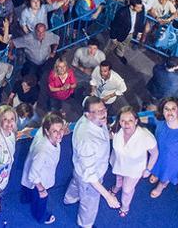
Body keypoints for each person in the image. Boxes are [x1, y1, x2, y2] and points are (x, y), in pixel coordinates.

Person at [63, 97, 121, 227]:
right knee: (90, 202)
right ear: (87, 115)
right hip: (90, 175)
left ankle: (69, 199)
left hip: (79, 168)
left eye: (103, 109)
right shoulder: (87, 140)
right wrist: (108, 197)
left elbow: (87, 99)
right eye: (98, 112)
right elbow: (90, 176)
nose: (103, 113)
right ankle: (85, 224)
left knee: (76, 181)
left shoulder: (91, 120)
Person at [110, 106, 158, 218]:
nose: (126, 124)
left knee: (127, 190)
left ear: (136, 121)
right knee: (119, 180)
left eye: (130, 120)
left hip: (134, 169)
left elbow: (155, 153)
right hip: (118, 162)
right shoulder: (115, 129)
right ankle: (117, 187)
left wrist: (148, 169)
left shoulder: (145, 136)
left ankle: (125, 207)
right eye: (123, 121)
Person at [20, 112, 67, 224]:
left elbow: (55, 124)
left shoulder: (45, 133)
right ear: (47, 131)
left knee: (29, 191)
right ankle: (40, 217)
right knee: (40, 200)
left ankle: (26, 199)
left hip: (34, 167)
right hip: (40, 180)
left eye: (61, 130)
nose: (59, 134)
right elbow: (33, 175)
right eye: (54, 131)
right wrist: (41, 189)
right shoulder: (43, 151)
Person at [147, 97, 178, 198]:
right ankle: (155, 174)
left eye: (173, 109)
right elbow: (149, 119)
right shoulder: (161, 123)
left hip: (171, 163)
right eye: (166, 109)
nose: (170, 112)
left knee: (165, 177)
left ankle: (161, 186)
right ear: (162, 112)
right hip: (158, 156)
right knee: (156, 168)